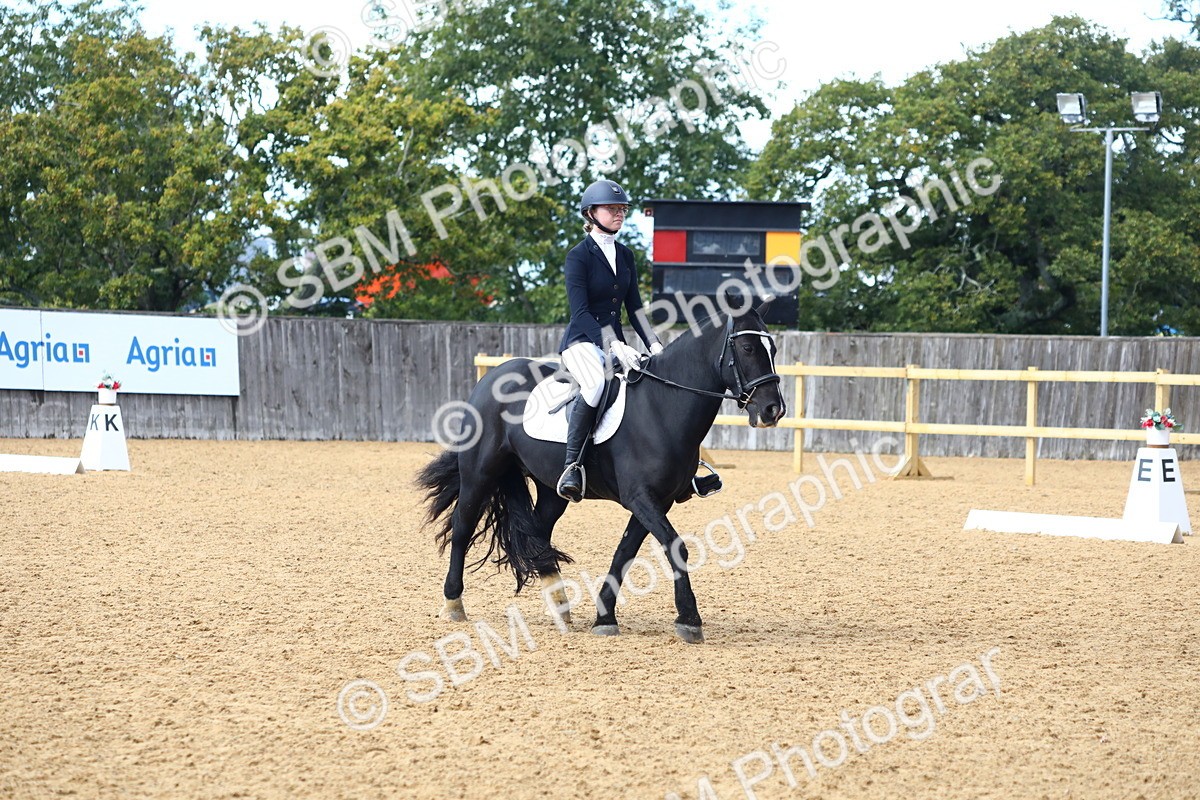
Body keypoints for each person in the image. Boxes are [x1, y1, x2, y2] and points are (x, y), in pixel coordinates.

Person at [556, 179, 663, 503]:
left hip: (616, 343)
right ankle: (572, 466)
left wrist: (654, 345)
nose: (619, 214)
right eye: (612, 208)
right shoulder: (578, 256)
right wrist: (613, 344)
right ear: (591, 213)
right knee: (594, 386)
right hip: (581, 342)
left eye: (622, 209)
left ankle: (673, 467)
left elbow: (635, 308)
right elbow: (580, 312)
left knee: (652, 381)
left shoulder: (626, 255)